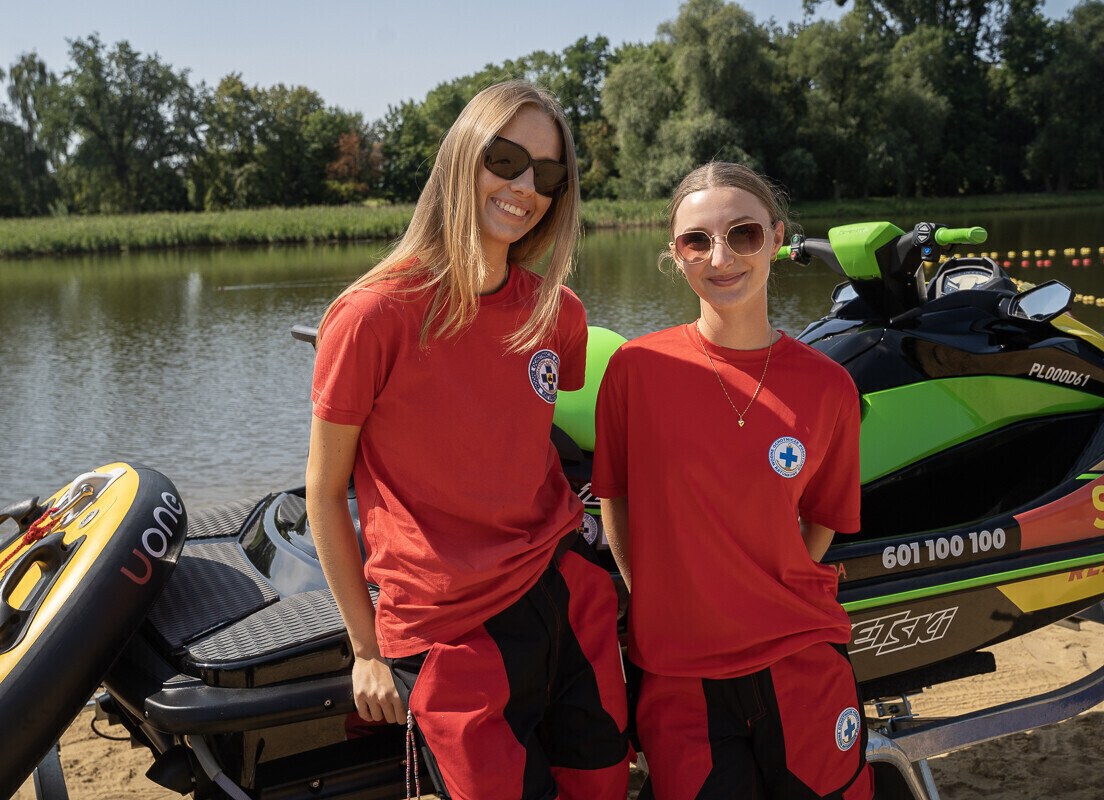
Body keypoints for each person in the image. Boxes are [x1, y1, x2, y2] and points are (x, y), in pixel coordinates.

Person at [306, 80, 630, 800]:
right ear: (461, 156)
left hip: (564, 594)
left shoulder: (556, 312)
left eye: (548, 174)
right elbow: (325, 493)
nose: (525, 187)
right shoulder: (372, 316)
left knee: (605, 786)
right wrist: (365, 649)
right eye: (506, 158)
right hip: (451, 626)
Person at [592, 162, 873, 799]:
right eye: (698, 240)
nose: (721, 256)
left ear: (776, 238)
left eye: (743, 233)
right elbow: (617, 500)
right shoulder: (636, 371)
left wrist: (759, 582)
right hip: (678, 674)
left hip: (800, 657)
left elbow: (823, 517)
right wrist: (665, 597)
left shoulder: (829, 386)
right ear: (676, 254)